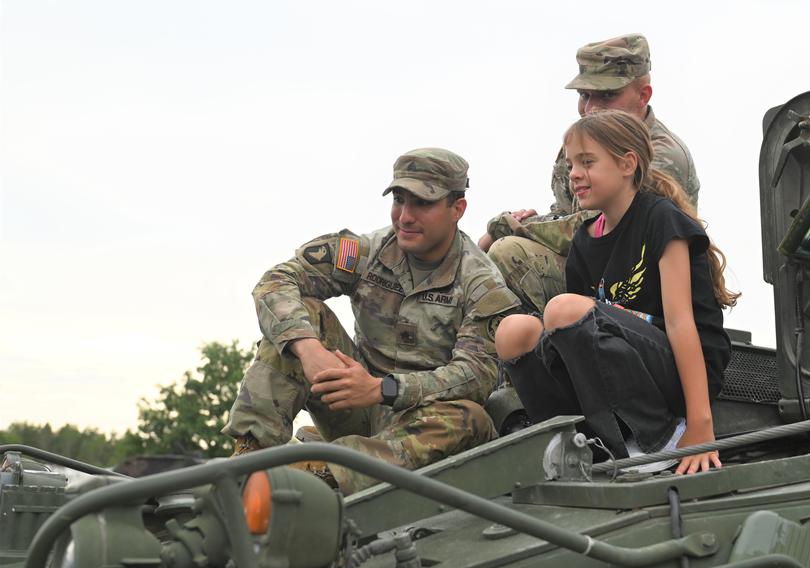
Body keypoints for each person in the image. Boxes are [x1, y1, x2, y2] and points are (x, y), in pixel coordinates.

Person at [222, 148, 520, 495]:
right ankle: (252, 458)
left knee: (471, 417)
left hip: (421, 428)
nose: (405, 216)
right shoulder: (366, 252)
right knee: (297, 320)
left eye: (422, 203)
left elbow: (476, 377)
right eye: (398, 199)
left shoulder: (481, 284)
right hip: (354, 408)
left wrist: (383, 389)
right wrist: (309, 350)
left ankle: (325, 474)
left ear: (458, 209)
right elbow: (275, 282)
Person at [494, 110, 738, 474]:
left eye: (588, 162)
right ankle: (579, 444)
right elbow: (574, 351)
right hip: (621, 370)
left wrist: (701, 424)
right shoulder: (584, 241)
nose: (575, 173)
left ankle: (654, 440)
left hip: (678, 376)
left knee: (564, 310)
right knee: (513, 333)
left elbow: (680, 323)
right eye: (572, 163)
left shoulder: (661, 219)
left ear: (627, 164)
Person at [479, 33, 700, 314]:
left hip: (649, 289)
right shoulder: (582, 145)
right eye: (585, 95)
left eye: (607, 95)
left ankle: (549, 348)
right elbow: (565, 215)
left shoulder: (662, 155)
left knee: (509, 252)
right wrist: (532, 222)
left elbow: (596, 226)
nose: (591, 108)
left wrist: (506, 226)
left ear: (643, 95)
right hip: (590, 272)